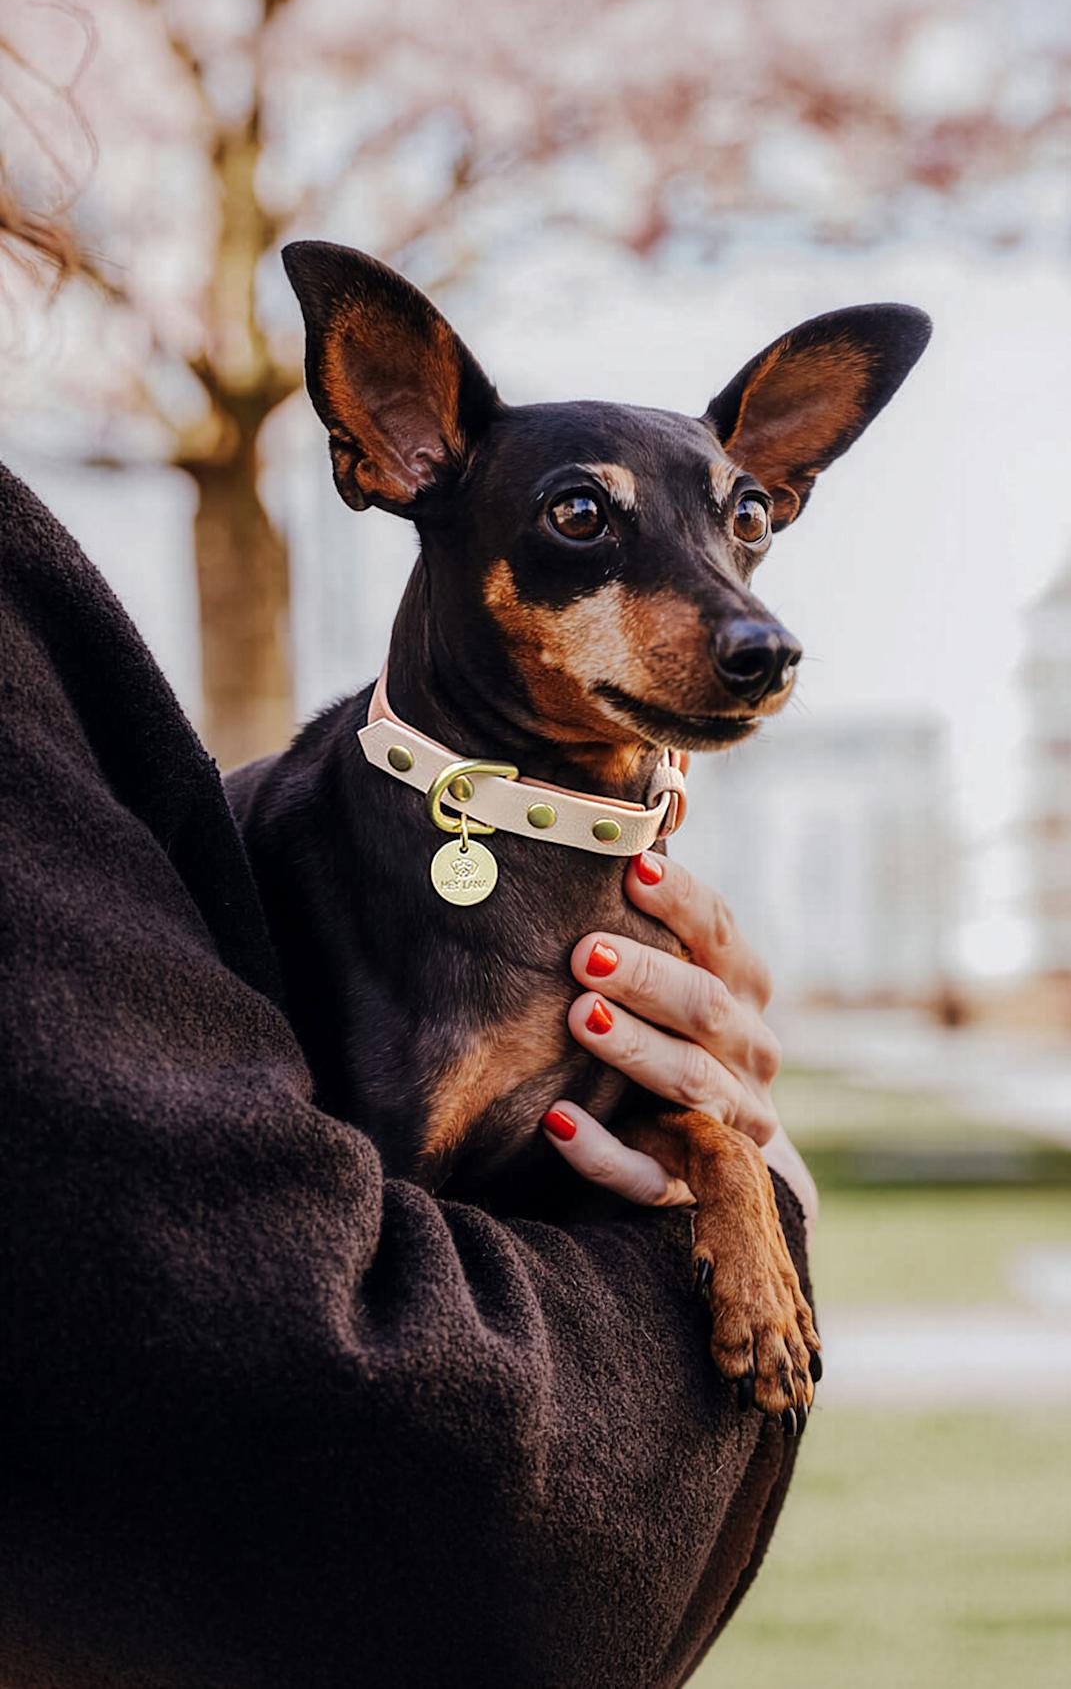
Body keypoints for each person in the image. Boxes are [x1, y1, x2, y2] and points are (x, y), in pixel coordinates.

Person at [0, 462, 817, 1689]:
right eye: (584, 524)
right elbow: (352, 1316)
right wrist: (783, 1203)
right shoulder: (305, 837)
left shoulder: (639, 883)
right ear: (394, 447)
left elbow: (648, 1140)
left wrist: (735, 1170)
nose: (739, 623)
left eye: (740, 518)